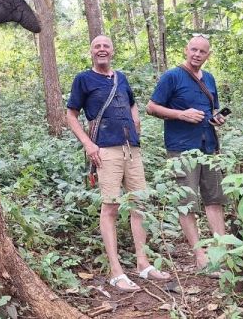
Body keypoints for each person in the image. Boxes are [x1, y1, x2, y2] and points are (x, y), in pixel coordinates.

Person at [66, 35, 170, 293]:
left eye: (106, 46)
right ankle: (116, 271)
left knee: (139, 206)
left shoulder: (120, 78)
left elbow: (133, 103)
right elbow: (71, 114)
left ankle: (143, 263)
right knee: (111, 207)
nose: (102, 50)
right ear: (91, 52)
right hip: (106, 151)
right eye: (97, 46)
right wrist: (89, 145)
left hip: (132, 149)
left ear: (112, 51)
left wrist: (136, 126)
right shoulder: (83, 79)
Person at [146, 34, 228, 274]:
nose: (197, 55)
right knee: (187, 203)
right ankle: (200, 257)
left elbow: (212, 108)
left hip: (208, 146)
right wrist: (181, 114)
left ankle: (222, 253)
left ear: (208, 55)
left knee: (215, 199)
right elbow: (151, 107)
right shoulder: (172, 76)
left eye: (202, 51)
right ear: (185, 49)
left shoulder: (210, 78)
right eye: (193, 49)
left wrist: (217, 117)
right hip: (182, 148)